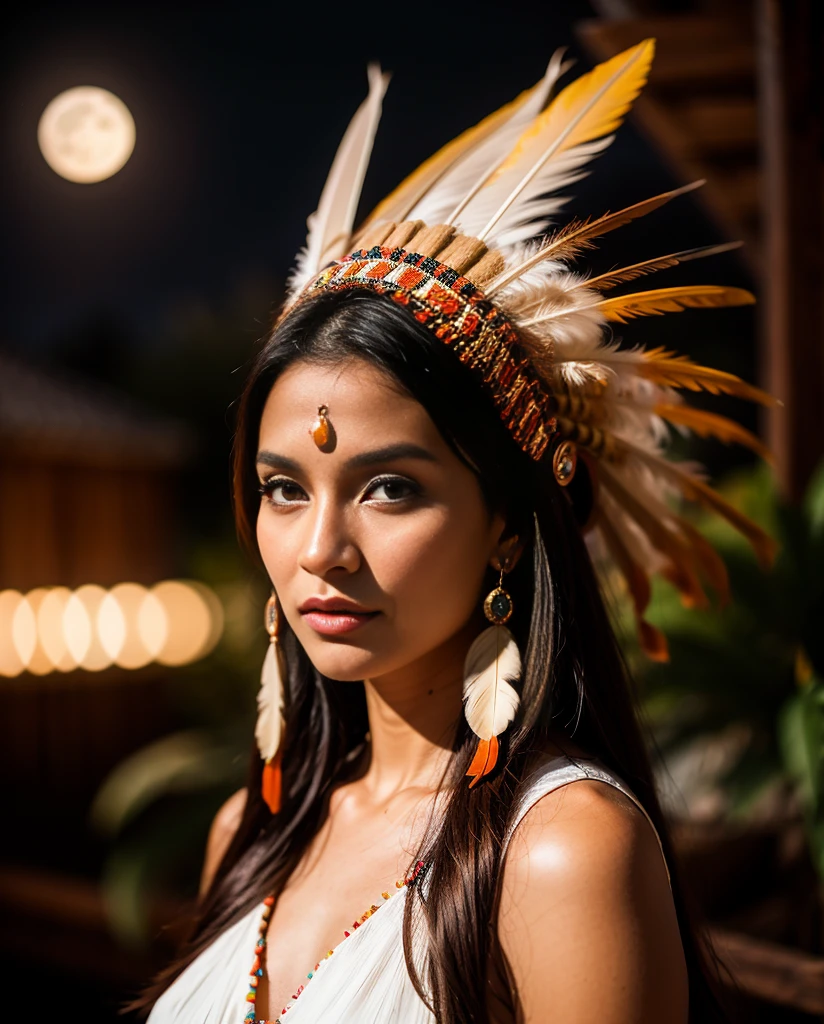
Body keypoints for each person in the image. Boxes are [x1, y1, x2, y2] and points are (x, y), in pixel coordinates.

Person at [135, 38, 775, 1023]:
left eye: (389, 488)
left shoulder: (560, 851)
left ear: (505, 529)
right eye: (282, 488)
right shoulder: (249, 832)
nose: (319, 550)